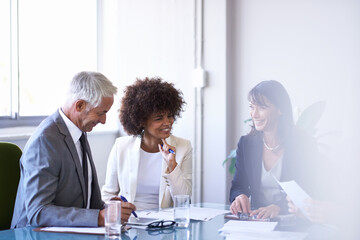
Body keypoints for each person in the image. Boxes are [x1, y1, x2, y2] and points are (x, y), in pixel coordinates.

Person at [11, 71, 136, 228]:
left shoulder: (78, 131)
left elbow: (80, 202)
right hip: (35, 233)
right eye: (101, 113)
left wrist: (107, 208)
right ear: (79, 105)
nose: (103, 121)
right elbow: (38, 212)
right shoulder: (45, 141)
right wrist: (98, 218)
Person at [229, 80, 319, 219]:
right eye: (252, 107)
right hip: (259, 220)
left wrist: (279, 207)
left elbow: (309, 189)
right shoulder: (246, 144)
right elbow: (238, 185)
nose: (254, 114)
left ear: (280, 109)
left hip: (294, 221)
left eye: (262, 107)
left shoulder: (303, 143)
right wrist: (240, 196)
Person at [101, 77, 192, 210]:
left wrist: (172, 165)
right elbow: (108, 194)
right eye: (159, 118)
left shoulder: (184, 147)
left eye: (170, 116)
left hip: (164, 224)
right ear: (142, 120)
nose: (167, 122)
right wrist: (116, 208)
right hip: (130, 222)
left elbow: (184, 200)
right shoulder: (121, 146)